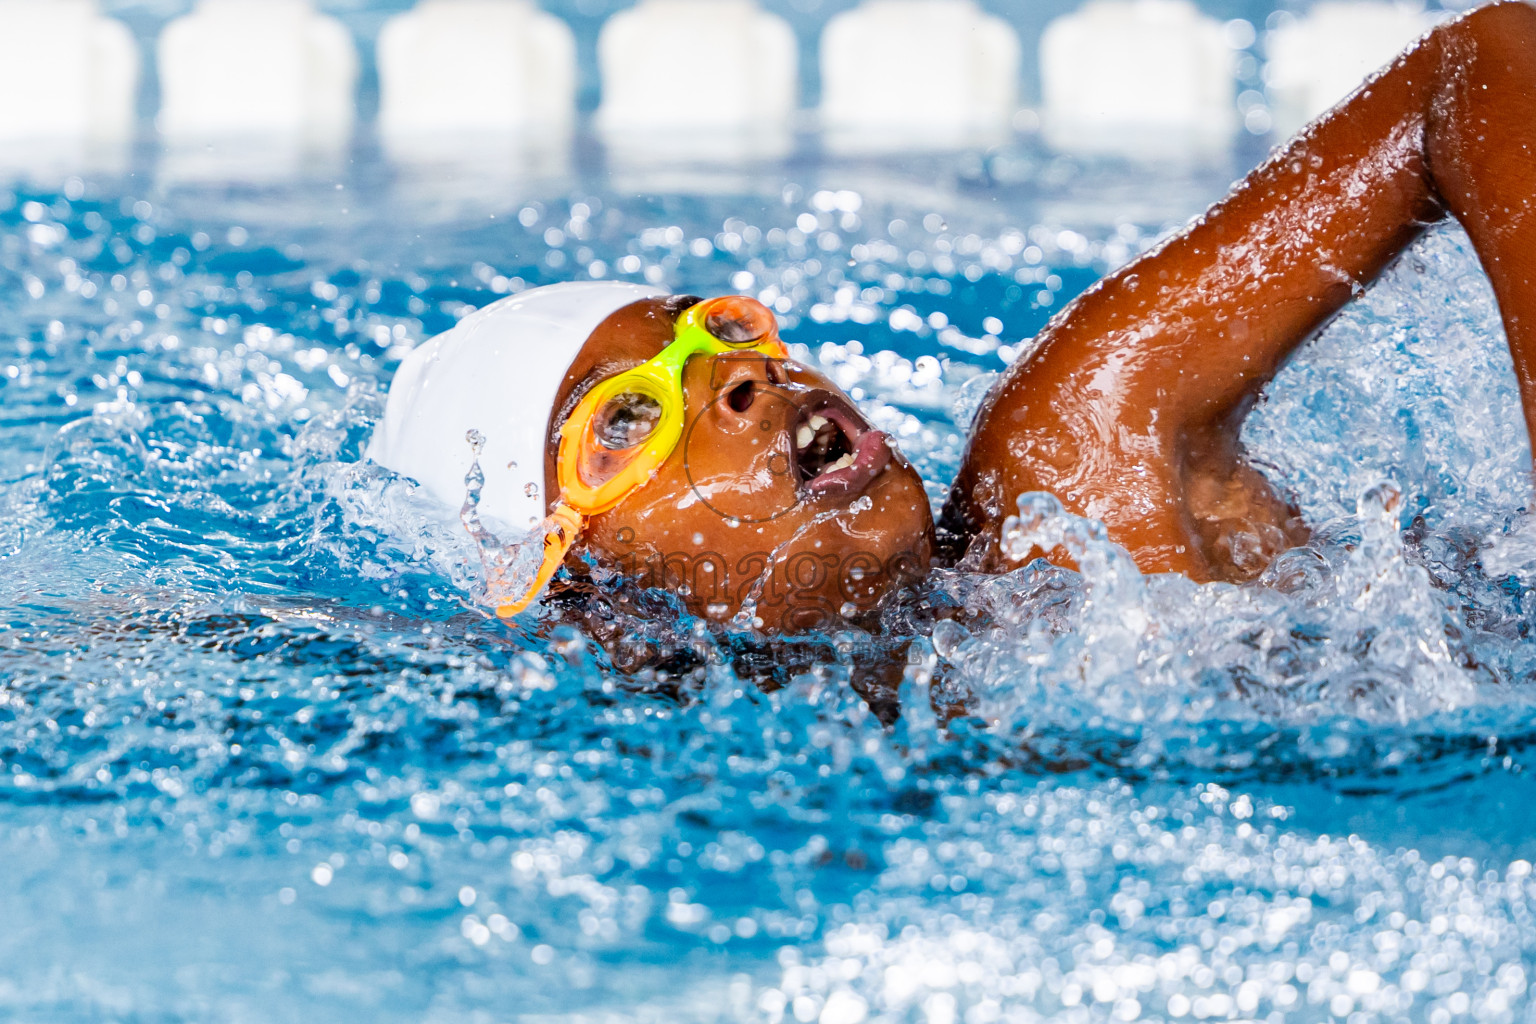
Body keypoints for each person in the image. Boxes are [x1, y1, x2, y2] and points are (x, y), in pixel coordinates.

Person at [372, 1, 1536, 637]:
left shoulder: (1070, 481)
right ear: (589, 606)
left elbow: (1482, 67)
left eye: (716, 333)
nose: (737, 381)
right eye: (625, 420)